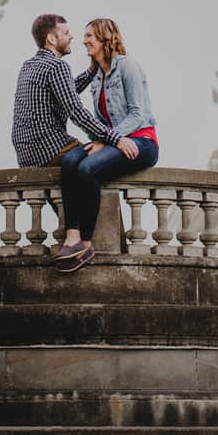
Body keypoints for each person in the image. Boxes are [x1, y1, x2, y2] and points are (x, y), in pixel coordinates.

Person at [54, 17, 160, 273]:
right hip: (113, 140)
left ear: (104, 38)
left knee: (87, 169)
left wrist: (107, 139)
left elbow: (136, 114)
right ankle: (72, 235)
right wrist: (104, 139)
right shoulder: (97, 75)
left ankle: (86, 244)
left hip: (141, 141)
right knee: (69, 161)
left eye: (89, 36)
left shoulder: (127, 66)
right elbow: (98, 119)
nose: (84, 41)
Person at [10, 11, 112, 171]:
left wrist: (91, 71)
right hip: (51, 150)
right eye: (66, 33)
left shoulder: (28, 65)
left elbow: (64, 92)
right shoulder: (57, 66)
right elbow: (77, 112)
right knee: (106, 155)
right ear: (51, 39)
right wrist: (114, 138)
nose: (71, 36)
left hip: (26, 156)